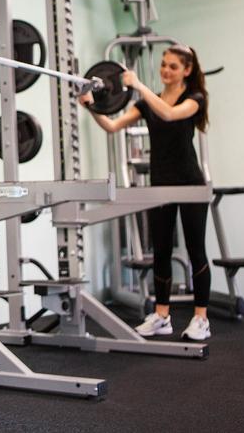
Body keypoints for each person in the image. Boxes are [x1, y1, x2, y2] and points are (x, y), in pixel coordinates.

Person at [80, 44, 212, 341]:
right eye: (163, 65)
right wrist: (90, 105)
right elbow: (112, 126)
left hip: (190, 182)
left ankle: (201, 318)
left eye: (173, 67)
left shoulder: (195, 98)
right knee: (161, 251)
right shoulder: (147, 103)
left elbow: (168, 114)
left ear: (187, 71)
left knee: (195, 250)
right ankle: (162, 316)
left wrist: (139, 86)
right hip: (160, 183)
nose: (165, 71)